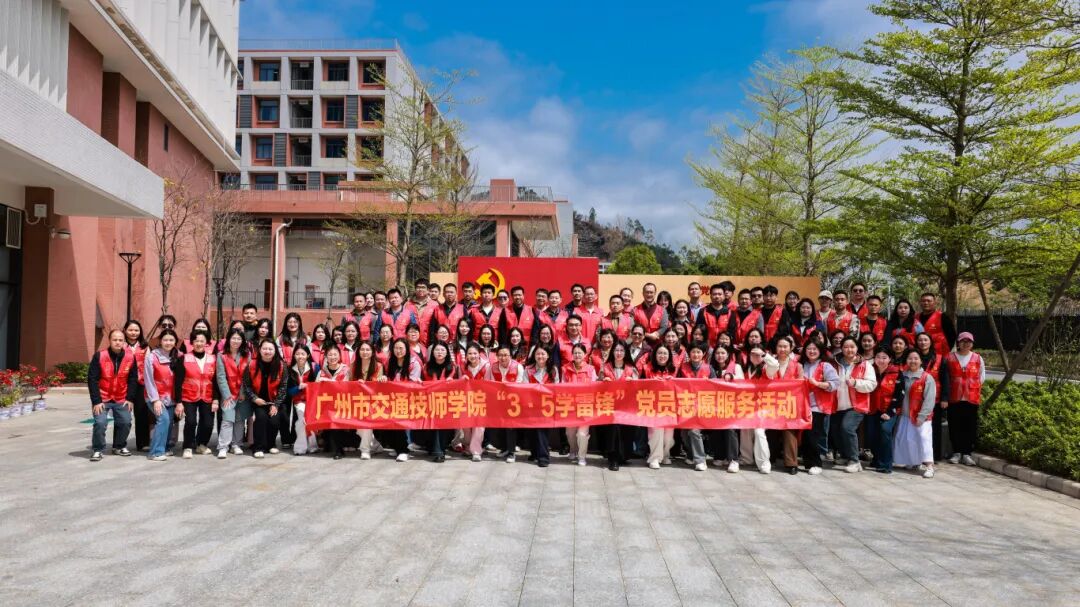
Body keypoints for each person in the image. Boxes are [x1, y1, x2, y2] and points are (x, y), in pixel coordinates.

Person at [87, 329, 139, 461]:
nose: (118, 342)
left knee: (126, 422)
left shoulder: (130, 357)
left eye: (120, 340)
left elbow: (133, 379)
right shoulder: (100, 356)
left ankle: (119, 446)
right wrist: (96, 401)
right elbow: (92, 379)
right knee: (100, 423)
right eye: (115, 340)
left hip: (121, 397)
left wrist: (130, 398)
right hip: (103, 398)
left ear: (124, 342)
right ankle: (98, 449)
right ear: (109, 341)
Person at [889, 349, 937, 478]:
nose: (913, 361)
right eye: (910, 358)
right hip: (904, 415)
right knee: (907, 439)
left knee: (924, 439)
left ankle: (929, 466)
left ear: (921, 361)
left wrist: (922, 416)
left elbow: (929, 399)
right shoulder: (902, 376)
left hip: (921, 416)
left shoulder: (927, 378)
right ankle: (913, 462)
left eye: (916, 358)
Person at [832, 337, 878, 473]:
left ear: (857, 348)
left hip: (857, 405)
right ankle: (845, 456)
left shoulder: (865, 365)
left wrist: (856, 383)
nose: (849, 350)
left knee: (847, 428)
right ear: (841, 348)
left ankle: (854, 461)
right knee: (836, 430)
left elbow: (872, 384)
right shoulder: (834, 363)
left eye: (852, 347)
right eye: (846, 347)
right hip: (838, 404)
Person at [175, 330, 218, 459]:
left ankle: (201, 444)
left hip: (207, 395)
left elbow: (216, 380)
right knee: (191, 422)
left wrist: (216, 399)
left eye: (202, 341)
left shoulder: (213, 359)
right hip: (188, 395)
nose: (199, 343)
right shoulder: (184, 358)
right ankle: (188, 446)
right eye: (196, 341)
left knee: (208, 423)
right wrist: (179, 401)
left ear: (206, 343)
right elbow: (178, 381)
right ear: (192, 343)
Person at [763, 336, 803, 474]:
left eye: (785, 346)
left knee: (789, 431)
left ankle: (791, 463)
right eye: (780, 346)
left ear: (791, 348)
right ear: (776, 348)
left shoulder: (797, 365)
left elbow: (800, 385)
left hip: (790, 404)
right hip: (772, 403)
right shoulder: (769, 363)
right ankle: (770, 458)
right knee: (771, 431)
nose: (782, 349)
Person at [243, 339, 287, 459]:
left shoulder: (281, 365)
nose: (267, 351)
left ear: (275, 350)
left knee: (274, 420)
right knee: (261, 418)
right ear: (260, 350)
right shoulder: (252, 364)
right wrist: (254, 398)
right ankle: (258, 447)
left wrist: (276, 404)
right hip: (258, 401)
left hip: (274, 400)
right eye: (265, 348)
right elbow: (246, 385)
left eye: (270, 349)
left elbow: (283, 387)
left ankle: (271, 444)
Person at [945, 332, 984, 466]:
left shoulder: (978, 358)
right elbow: (945, 377)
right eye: (963, 341)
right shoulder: (949, 357)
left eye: (969, 341)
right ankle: (956, 452)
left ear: (972, 344)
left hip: (971, 398)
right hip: (954, 397)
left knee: (970, 426)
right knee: (954, 425)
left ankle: (967, 453)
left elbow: (981, 376)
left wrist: (971, 387)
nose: (966, 344)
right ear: (958, 343)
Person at [801, 341, 839, 475]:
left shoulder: (825, 365)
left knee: (813, 434)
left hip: (818, 406)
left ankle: (816, 463)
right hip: (802, 405)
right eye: (809, 348)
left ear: (820, 351)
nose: (812, 351)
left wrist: (818, 384)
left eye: (815, 349)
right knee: (805, 435)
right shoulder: (802, 365)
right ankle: (808, 463)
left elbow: (835, 383)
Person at [144, 329, 182, 461]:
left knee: (169, 422)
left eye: (171, 340)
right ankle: (155, 452)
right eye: (165, 340)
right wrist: (155, 400)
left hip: (171, 397)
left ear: (175, 342)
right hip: (155, 397)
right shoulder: (152, 357)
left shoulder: (179, 356)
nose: (168, 342)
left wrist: (180, 400)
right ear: (160, 341)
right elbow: (148, 379)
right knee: (164, 419)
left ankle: (164, 448)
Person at [599, 340, 637, 471]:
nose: (619, 353)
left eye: (621, 350)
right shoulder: (605, 367)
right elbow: (596, 385)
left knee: (625, 431)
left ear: (626, 353)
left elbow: (639, 388)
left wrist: (633, 383)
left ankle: (623, 456)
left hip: (626, 407)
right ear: (612, 352)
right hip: (610, 406)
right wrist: (603, 381)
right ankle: (613, 458)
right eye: (616, 350)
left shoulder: (631, 369)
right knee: (613, 429)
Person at [487, 344, 527, 463]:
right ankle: (504, 448)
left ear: (510, 356)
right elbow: (490, 383)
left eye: (505, 355)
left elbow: (520, 384)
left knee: (510, 427)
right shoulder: (492, 367)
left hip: (514, 402)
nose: (503, 358)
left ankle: (511, 452)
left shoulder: (518, 367)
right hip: (499, 401)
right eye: (500, 355)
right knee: (500, 426)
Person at [382, 338, 420, 461]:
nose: (398, 351)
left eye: (401, 348)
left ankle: (403, 450)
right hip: (391, 399)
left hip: (407, 399)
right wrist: (383, 378)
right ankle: (397, 447)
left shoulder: (414, 363)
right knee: (389, 424)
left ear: (407, 349)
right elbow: (387, 377)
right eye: (396, 348)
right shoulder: (389, 362)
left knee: (399, 424)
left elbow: (413, 384)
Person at [214, 328, 250, 458]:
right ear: (228, 339)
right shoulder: (221, 355)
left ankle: (236, 444)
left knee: (240, 420)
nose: (236, 341)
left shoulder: (246, 355)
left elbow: (247, 376)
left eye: (239, 338)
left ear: (242, 341)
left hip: (242, 393)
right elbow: (221, 377)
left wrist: (243, 392)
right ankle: (223, 446)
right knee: (227, 419)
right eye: (233, 338)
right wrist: (227, 395)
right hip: (228, 393)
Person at [677, 342, 712, 472]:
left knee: (694, 431)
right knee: (684, 433)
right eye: (693, 352)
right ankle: (691, 454)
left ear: (703, 354)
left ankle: (700, 460)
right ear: (689, 353)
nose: (696, 354)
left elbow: (716, 386)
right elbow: (675, 383)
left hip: (703, 407)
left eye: (698, 352)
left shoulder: (709, 368)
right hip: (686, 406)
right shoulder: (682, 368)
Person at [915, 332, 950, 462]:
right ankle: (918, 455)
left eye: (925, 340)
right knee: (917, 426)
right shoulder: (913, 357)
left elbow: (945, 379)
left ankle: (934, 456)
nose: (923, 342)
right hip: (916, 399)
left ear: (930, 342)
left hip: (935, 399)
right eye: (920, 340)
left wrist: (945, 398)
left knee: (934, 428)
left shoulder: (940, 359)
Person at [708, 345, 743, 473]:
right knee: (717, 430)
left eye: (723, 353)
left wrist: (732, 377)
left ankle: (733, 460)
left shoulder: (736, 367)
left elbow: (743, 382)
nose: (720, 356)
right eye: (717, 353)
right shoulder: (711, 368)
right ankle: (720, 456)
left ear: (728, 355)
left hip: (732, 405)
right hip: (715, 404)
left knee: (730, 430)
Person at [641, 344, 677, 470]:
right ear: (655, 355)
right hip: (652, 406)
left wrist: (674, 381)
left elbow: (683, 386)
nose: (662, 356)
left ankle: (665, 454)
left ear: (669, 356)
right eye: (659, 353)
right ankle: (654, 458)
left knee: (668, 436)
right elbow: (639, 386)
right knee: (656, 432)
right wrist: (651, 383)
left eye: (665, 353)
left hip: (669, 407)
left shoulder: (674, 370)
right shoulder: (646, 369)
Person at [562, 343, 598, 466]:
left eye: (580, 353)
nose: (577, 355)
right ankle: (573, 450)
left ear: (585, 354)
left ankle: (582, 456)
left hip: (585, 405)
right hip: (570, 406)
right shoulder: (565, 368)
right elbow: (561, 386)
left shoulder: (591, 369)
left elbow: (595, 387)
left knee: (582, 434)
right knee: (570, 433)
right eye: (575, 353)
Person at [317, 344, 354, 460]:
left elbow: (348, 388)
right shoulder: (321, 372)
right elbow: (316, 390)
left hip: (342, 403)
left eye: (335, 354)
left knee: (335, 418)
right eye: (330, 355)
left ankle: (338, 449)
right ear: (326, 357)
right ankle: (335, 447)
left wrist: (330, 382)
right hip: (326, 404)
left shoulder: (346, 370)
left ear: (339, 356)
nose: (333, 357)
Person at [869, 348, 901, 473]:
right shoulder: (870, 371)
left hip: (890, 409)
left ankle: (886, 464)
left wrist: (889, 412)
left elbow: (900, 395)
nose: (881, 360)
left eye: (884, 357)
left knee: (885, 430)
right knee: (871, 434)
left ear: (890, 359)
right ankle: (877, 459)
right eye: (878, 357)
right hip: (872, 408)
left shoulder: (897, 372)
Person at [526, 345, 559, 467]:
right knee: (532, 431)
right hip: (532, 404)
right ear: (534, 356)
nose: (540, 356)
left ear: (548, 356)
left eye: (543, 354)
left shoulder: (553, 370)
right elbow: (524, 387)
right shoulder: (528, 369)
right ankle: (535, 453)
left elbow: (557, 387)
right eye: (538, 354)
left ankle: (544, 457)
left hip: (547, 406)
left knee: (542, 431)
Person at [741, 347, 773, 473]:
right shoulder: (746, 369)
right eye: (753, 354)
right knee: (745, 431)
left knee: (759, 432)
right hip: (747, 405)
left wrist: (764, 355)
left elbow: (775, 365)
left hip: (763, 406)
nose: (755, 356)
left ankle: (764, 462)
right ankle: (746, 458)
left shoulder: (767, 369)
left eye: (758, 354)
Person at [424, 341, 457, 463]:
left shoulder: (452, 367)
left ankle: (439, 451)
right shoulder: (426, 367)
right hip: (429, 401)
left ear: (447, 353)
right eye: (437, 350)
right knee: (433, 426)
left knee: (442, 426)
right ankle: (436, 449)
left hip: (446, 402)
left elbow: (457, 384)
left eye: (443, 350)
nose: (440, 352)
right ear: (432, 352)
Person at [353, 341, 386, 459]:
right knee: (359, 428)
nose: (365, 352)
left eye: (368, 350)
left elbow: (379, 386)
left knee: (366, 421)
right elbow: (346, 384)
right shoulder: (353, 366)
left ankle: (365, 450)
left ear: (372, 352)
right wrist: (356, 384)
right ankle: (376, 445)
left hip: (373, 402)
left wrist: (382, 379)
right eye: (362, 349)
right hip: (356, 401)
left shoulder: (379, 366)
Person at [122, 320, 151, 452]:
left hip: (141, 384)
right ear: (125, 330)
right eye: (130, 330)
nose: (133, 333)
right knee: (122, 415)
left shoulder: (145, 347)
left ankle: (143, 443)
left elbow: (149, 366)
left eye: (136, 330)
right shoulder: (121, 345)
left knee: (141, 414)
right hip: (124, 383)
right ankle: (119, 443)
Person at [286, 344, 319, 455]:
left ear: (308, 355)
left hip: (313, 400)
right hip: (298, 401)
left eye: (303, 354)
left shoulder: (314, 367)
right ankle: (301, 447)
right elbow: (289, 391)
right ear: (294, 355)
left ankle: (311, 445)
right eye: (297, 354)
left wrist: (309, 386)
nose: (300, 356)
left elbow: (319, 385)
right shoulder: (290, 369)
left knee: (307, 420)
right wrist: (298, 388)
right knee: (302, 417)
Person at [460, 343, 490, 461]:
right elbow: (458, 384)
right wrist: (462, 380)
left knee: (479, 426)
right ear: (466, 355)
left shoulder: (486, 366)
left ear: (479, 354)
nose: (472, 356)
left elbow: (489, 384)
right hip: (466, 400)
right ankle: (468, 447)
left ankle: (476, 451)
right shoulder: (462, 367)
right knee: (466, 425)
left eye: (475, 353)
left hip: (481, 400)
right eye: (470, 353)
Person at [917, 292, 956, 360]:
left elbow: (952, 335)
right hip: (919, 355)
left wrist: (946, 350)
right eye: (923, 301)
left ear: (934, 302)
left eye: (929, 301)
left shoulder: (942, 317)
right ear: (920, 303)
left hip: (940, 355)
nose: (926, 303)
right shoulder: (915, 318)